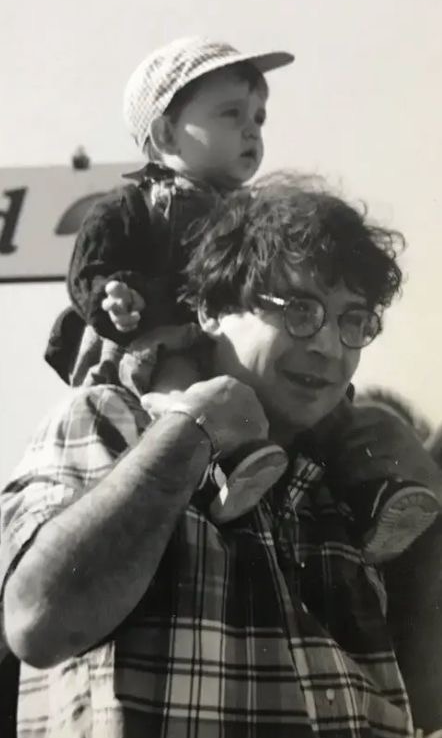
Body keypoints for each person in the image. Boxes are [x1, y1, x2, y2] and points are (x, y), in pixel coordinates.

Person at [2, 175, 441, 737]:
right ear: (210, 309)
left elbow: (427, 703)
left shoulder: (361, 483)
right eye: (299, 309)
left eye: (353, 321)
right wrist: (190, 434)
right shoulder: (113, 420)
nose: (329, 347)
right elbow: (38, 623)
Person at [44, 34, 294, 523]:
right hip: (161, 343)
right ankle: (226, 462)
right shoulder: (137, 204)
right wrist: (111, 296)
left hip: (231, 348)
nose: (252, 129)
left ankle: (373, 488)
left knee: (324, 399)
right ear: (166, 135)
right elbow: (90, 268)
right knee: (181, 381)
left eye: (259, 117)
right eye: (232, 114)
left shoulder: (256, 214)